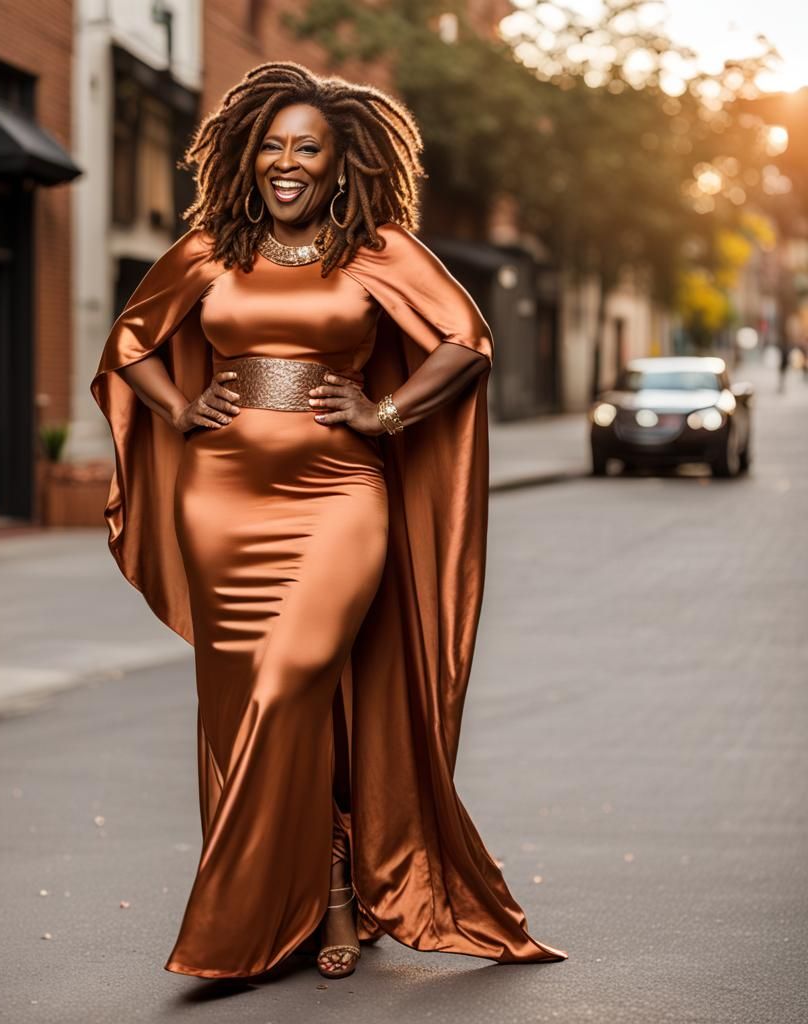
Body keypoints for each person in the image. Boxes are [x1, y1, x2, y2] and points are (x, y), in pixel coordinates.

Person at [91, 61, 567, 981]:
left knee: (292, 682)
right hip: (218, 502)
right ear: (246, 156)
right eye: (271, 144)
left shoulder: (377, 251)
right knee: (239, 709)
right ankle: (323, 893)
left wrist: (385, 415)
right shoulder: (209, 251)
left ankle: (247, 919)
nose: (286, 162)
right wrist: (181, 409)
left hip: (341, 498)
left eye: (307, 147)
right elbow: (130, 344)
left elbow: (466, 341)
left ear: (341, 162)